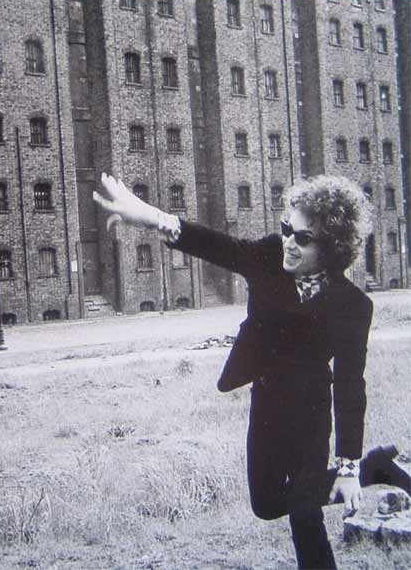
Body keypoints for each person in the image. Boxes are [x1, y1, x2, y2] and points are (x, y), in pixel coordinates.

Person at [93, 173, 410, 569]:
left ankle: (358, 473)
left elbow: (350, 386)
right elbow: (219, 247)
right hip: (266, 403)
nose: (289, 243)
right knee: (267, 504)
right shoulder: (267, 257)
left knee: (302, 507)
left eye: (303, 238)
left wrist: (346, 464)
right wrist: (151, 217)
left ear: (332, 248)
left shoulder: (353, 306)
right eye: (286, 230)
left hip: (311, 409)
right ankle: (374, 468)